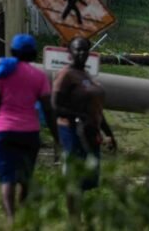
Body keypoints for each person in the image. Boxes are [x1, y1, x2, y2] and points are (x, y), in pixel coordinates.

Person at [0, 34, 59, 224]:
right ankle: (22, 212)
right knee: (25, 176)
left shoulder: (3, 72)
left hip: (3, 131)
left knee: (7, 178)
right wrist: (57, 137)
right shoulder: (39, 77)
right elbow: (48, 108)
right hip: (29, 134)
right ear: (33, 54)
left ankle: (11, 219)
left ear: (13, 51)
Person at [53, 37, 116, 210]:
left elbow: (96, 110)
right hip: (72, 132)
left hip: (90, 132)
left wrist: (108, 133)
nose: (81, 53)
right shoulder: (66, 74)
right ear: (70, 52)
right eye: (77, 49)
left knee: (86, 179)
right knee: (74, 177)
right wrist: (79, 116)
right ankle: (74, 220)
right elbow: (55, 106)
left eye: (84, 49)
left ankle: (79, 217)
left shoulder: (86, 75)